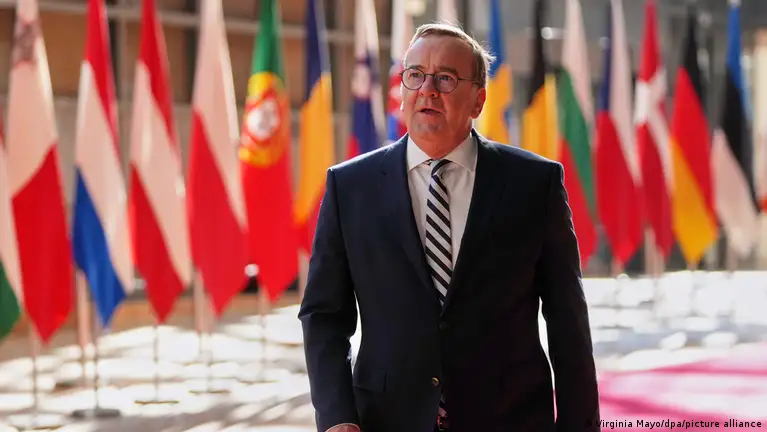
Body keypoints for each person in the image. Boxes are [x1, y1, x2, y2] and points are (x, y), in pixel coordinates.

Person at [298, 22, 600, 432]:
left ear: (478, 100)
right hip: (387, 418)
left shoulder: (534, 184)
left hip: (510, 418)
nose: (427, 89)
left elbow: (567, 319)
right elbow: (323, 314)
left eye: (445, 78)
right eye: (415, 75)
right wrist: (336, 417)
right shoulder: (349, 186)